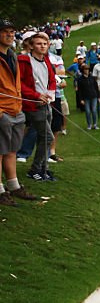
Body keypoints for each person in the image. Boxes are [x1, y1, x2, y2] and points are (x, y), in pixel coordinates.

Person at [0, 18, 39, 206]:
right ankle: (0, 190)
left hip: (16, 109)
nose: (9, 34)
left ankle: (13, 186)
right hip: (3, 111)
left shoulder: (12, 55)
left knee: (12, 150)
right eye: (5, 31)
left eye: (11, 31)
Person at [18, 32, 57, 182]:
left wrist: (49, 95)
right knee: (47, 137)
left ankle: (43, 169)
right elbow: (19, 84)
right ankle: (35, 169)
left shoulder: (46, 60)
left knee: (44, 137)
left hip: (46, 103)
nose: (42, 46)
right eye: (39, 44)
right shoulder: (24, 60)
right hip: (33, 105)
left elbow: (51, 80)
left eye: (45, 44)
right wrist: (36, 96)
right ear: (32, 45)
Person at [78, 64, 100, 130]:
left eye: (88, 69)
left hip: (94, 96)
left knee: (94, 110)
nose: (87, 70)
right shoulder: (80, 79)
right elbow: (79, 90)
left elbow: (96, 87)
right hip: (86, 97)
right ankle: (89, 124)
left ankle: (95, 124)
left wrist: (98, 96)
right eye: (85, 69)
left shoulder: (92, 78)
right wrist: (81, 99)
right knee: (87, 111)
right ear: (83, 70)